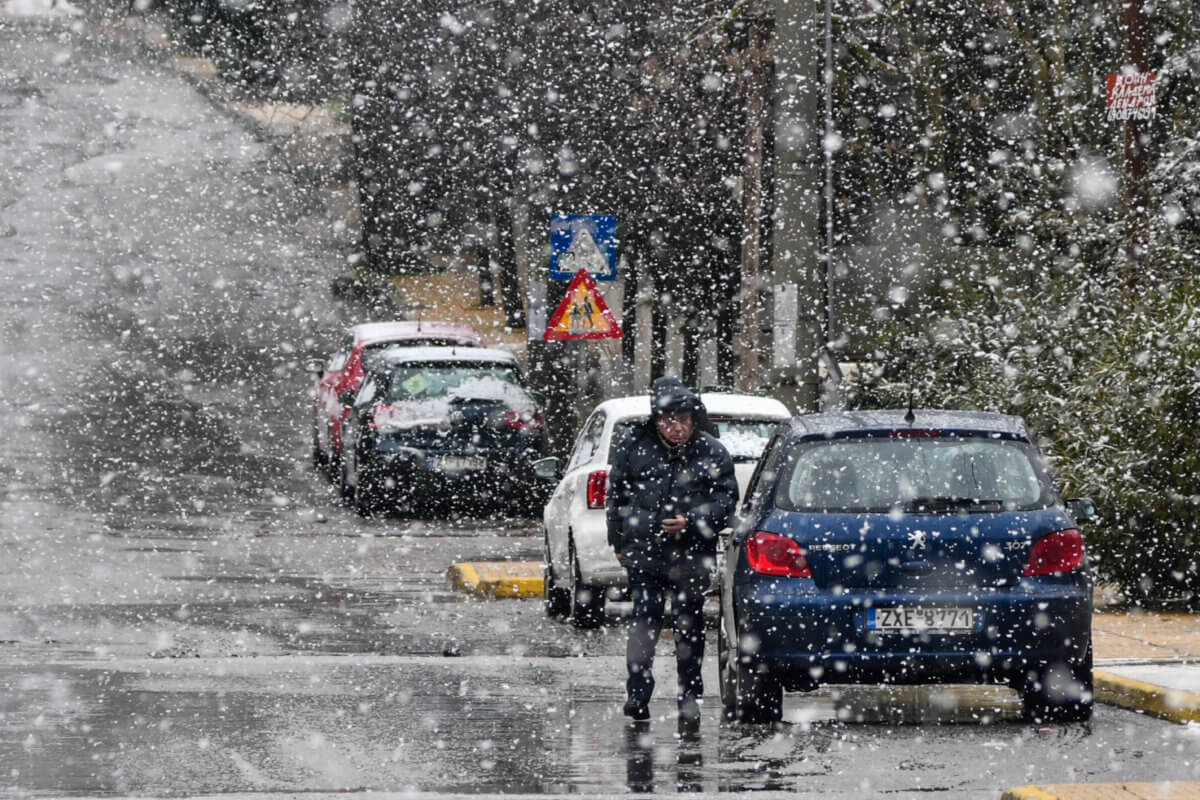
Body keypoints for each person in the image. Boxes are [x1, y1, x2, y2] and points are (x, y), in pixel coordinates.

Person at [606, 376, 738, 728]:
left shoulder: (711, 450)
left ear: (693, 419)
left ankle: (690, 698)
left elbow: (725, 500)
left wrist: (692, 521)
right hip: (645, 553)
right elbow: (616, 496)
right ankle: (637, 694)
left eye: (682, 419)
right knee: (644, 623)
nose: (675, 427)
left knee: (689, 627)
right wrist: (618, 542)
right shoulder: (634, 446)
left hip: (691, 555)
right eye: (668, 420)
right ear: (656, 420)